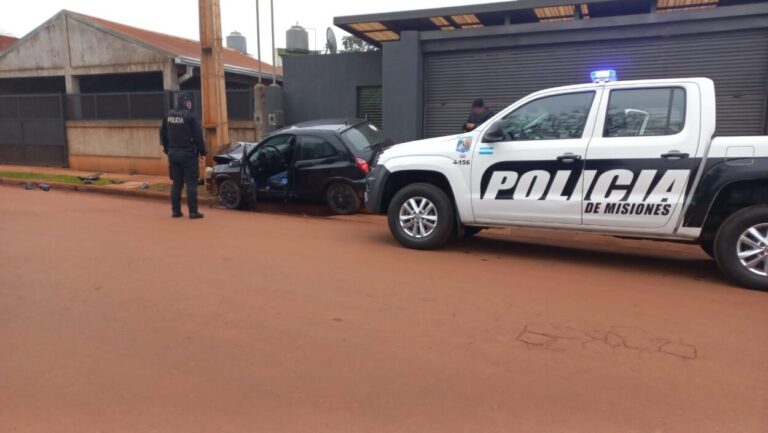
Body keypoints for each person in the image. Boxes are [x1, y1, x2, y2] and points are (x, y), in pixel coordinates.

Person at [160, 93, 206, 219]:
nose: (190, 104)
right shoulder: (190, 116)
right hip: (188, 154)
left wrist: (166, 149)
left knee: (177, 183)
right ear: (186, 103)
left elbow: (163, 134)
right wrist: (202, 152)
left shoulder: (168, 115)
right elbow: (198, 135)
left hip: (173, 154)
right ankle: (193, 212)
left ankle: (176, 211)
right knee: (191, 183)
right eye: (189, 102)